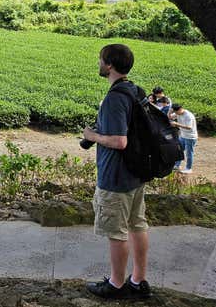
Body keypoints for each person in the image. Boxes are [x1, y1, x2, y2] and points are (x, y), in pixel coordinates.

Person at [82, 44, 151, 300]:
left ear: (109, 65)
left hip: (116, 177)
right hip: (136, 173)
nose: (98, 63)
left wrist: (92, 136)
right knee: (137, 225)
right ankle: (139, 280)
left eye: (100, 59)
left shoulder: (114, 98)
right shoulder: (135, 91)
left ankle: (116, 284)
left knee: (116, 233)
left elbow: (119, 141)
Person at [170, 103, 198, 174]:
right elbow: (170, 117)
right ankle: (177, 165)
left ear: (180, 109)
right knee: (179, 150)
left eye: (176, 112)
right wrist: (170, 111)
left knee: (189, 153)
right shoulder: (178, 113)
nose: (176, 114)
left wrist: (176, 124)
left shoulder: (188, 116)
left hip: (190, 137)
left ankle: (189, 168)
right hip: (183, 136)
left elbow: (189, 127)